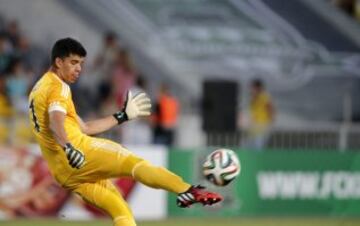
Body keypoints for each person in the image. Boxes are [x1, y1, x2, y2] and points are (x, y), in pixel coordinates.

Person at [28, 38, 222, 226]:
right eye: (74, 62)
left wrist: (122, 116)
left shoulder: (39, 88)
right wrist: (69, 148)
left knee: (121, 211)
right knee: (134, 164)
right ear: (58, 62)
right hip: (80, 153)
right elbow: (56, 123)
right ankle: (187, 190)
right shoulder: (58, 87)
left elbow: (85, 128)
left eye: (81, 63)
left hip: (64, 173)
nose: (79, 68)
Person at [245, 79, 275, 151]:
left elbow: (270, 109)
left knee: (259, 146)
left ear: (258, 87)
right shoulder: (253, 98)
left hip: (262, 125)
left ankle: (259, 160)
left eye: (253, 87)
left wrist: (270, 123)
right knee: (248, 145)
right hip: (254, 126)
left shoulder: (264, 97)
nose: (251, 89)